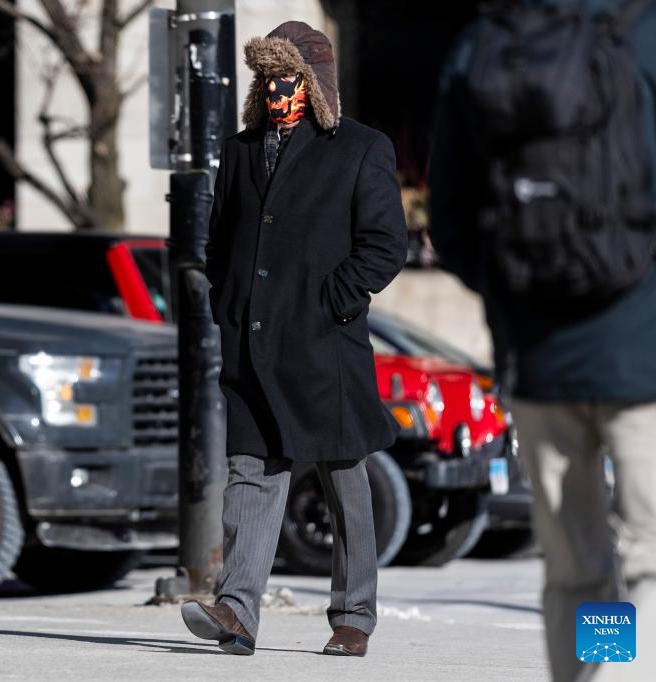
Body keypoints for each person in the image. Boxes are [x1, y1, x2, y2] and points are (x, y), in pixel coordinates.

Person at [429, 1, 656, 679]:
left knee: (577, 568)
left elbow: (450, 215)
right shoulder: (642, 32)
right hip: (641, 349)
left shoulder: (483, 42)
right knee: (646, 552)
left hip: (536, 356)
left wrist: (514, 299)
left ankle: (596, 668)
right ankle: (624, 674)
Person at [180, 22, 408, 657]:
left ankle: (353, 615)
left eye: (289, 76)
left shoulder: (360, 148)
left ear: (313, 82)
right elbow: (220, 241)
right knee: (251, 472)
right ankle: (236, 611)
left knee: (344, 479)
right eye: (268, 77)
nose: (277, 88)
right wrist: (226, 302)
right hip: (251, 343)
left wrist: (335, 300)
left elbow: (387, 244)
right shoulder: (242, 148)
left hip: (324, 348)